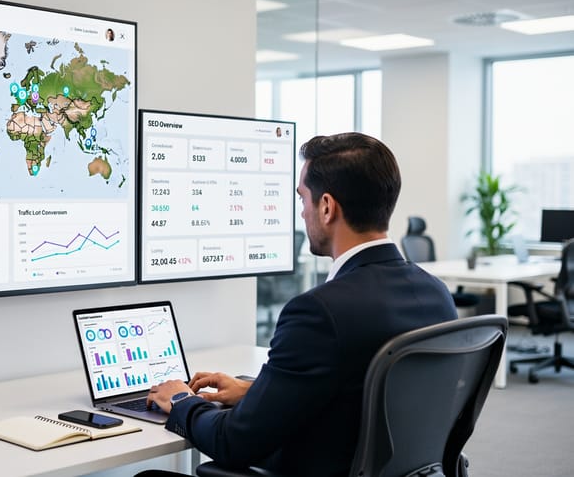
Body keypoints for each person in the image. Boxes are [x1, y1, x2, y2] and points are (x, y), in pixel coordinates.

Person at [143, 132, 458, 476]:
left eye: (303, 199)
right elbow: (361, 398)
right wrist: (255, 394)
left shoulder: (319, 312)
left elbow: (233, 443)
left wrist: (179, 401)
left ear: (326, 207)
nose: (302, 212)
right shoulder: (436, 295)